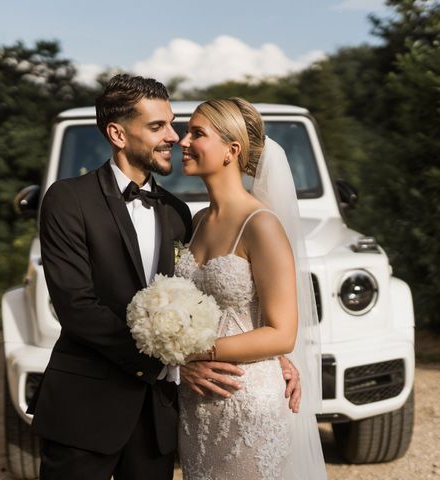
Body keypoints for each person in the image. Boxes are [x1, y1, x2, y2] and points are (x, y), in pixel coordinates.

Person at [27, 75, 301, 480]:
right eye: (159, 127)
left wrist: (272, 351)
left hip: (161, 418)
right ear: (118, 134)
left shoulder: (177, 213)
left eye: (177, 125)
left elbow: (215, 301)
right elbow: (76, 306)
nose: (174, 137)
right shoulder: (68, 200)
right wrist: (170, 364)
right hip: (87, 408)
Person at [176, 98, 327, 479]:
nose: (182, 141)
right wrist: (180, 359)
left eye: (197, 133)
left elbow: (282, 333)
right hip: (196, 404)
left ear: (232, 150)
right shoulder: (195, 222)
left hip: (248, 404)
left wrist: (196, 351)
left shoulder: (261, 225)